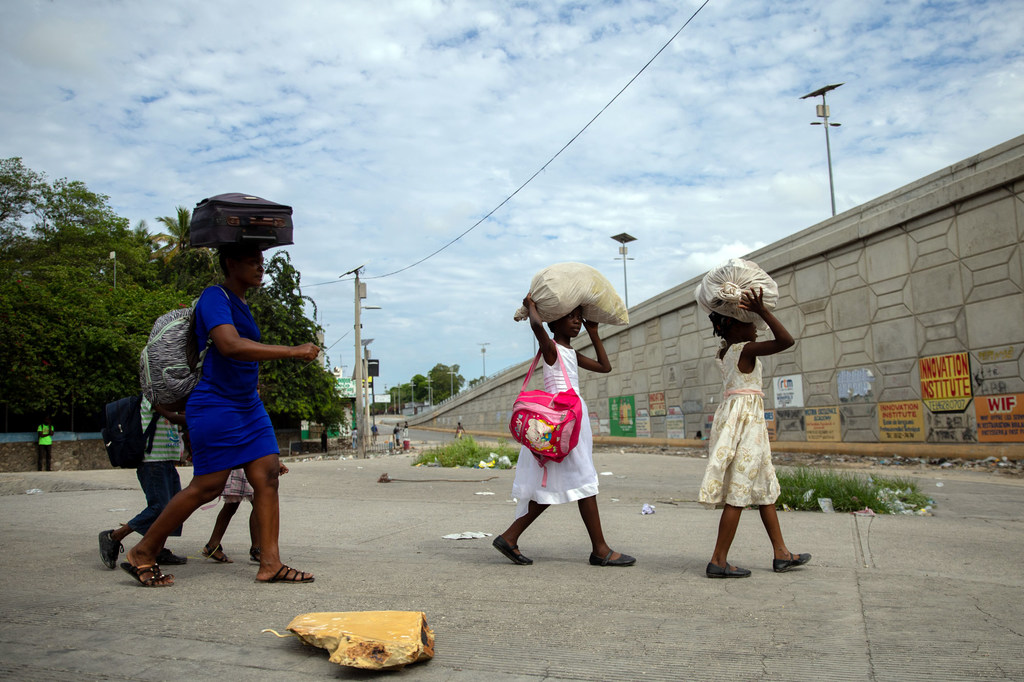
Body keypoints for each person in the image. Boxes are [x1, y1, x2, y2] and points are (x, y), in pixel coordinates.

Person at [118, 243, 319, 586]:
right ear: (230, 263)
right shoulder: (215, 296)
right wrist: (292, 351)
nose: (260, 267)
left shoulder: (241, 303)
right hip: (215, 403)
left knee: (268, 476)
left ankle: (270, 563)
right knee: (208, 486)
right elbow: (229, 345)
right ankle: (143, 551)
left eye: (262, 261)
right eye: (252, 261)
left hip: (247, 406)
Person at [493, 295, 635, 567]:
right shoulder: (551, 348)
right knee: (584, 480)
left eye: (579, 317)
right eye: (570, 316)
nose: (577, 321)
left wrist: (594, 333)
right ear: (554, 321)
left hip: (571, 420)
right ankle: (600, 550)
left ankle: (510, 537)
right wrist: (532, 306)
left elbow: (605, 367)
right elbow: (536, 328)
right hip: (560, 420)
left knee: (564, 483)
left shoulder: (570, 353)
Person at [698, 287, 809, 578]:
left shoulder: (724, 351)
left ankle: (781, 554)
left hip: (742, 422)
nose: (756, 328)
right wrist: (763, 311)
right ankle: (718, 560)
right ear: (733, 325)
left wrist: (754, 314)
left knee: (763, 488)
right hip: (746, 425)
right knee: (739, 490)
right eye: (750, 322)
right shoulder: (743, 349)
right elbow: (787, 340)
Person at [98, 400, 189, 569]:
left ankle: (157, 548)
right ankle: (114, 536)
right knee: (159, 507)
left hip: (167, 460)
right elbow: (176, 415)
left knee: (174, 508)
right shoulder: (152, 398)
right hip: (152, 461)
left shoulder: (172, 400)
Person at [199, 465, 284, 564]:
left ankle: (213, 545)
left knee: (233, 504)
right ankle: (256, 549)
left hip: (240, 464)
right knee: (259, 503)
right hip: (245, 465)